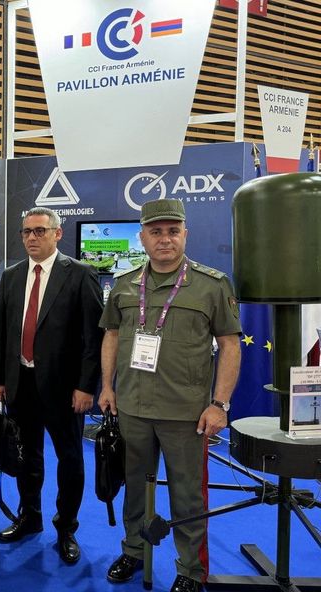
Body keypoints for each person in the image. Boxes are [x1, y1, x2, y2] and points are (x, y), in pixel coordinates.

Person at [98, 199, 241, 592]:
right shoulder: (124, 284)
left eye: (173, 231)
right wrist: (108, 386)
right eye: (156, 232)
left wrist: (219, 405)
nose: (165, 239)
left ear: (185, 235)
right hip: (132, 408)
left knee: (187, 495)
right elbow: (112, 335)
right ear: (142, 238)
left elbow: (230, 346)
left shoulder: (212, 285)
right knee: (134, 487)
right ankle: (134, 550)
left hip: (187, 414)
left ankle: (190, 570)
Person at [0, 206, 103, 564]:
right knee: (26, 455)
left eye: (40, 231)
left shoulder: (80, 274)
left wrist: (86, 386)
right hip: (20, 383)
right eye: (26, 232)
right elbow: (0, 332)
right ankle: (30, 516)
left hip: (65, 389)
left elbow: (93, 338)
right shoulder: (11, 276)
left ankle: (66, 527)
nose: (32, 237)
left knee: (70, 458)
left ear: (57, 233)